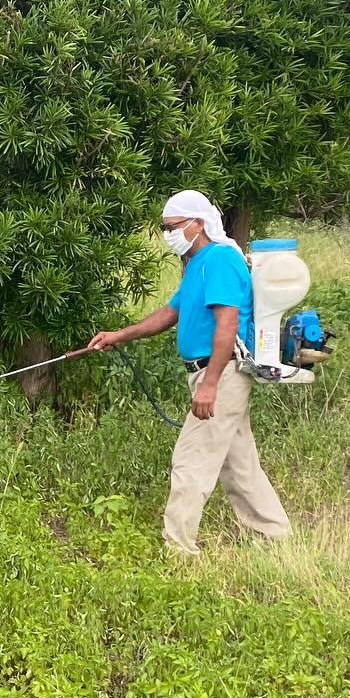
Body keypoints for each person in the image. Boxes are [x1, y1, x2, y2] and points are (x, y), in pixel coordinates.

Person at [88, 189, 291, 557]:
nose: (169, 234)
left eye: (173, 226)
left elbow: (227, 325)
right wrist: (119, 335)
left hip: (222, 373)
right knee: (239, 466)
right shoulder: (196, 263)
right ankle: (276, 536)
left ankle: (178, 549)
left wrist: (210, 385)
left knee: (190, 461)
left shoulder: (220, 260)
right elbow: (169, 313)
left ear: (199, 223)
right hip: (210, 374)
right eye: (164, 228)